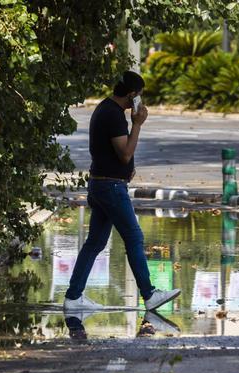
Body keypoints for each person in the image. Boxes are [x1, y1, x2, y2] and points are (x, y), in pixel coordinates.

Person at [63, 71, 181, 312]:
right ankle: (149, 295)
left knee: (94, 243)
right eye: (138, 96)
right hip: (110, 188)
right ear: (131, 95)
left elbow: (117, 154)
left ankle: (73, 297)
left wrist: (127, 168)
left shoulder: (105, 108)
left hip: (101, 183)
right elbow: (124, 152)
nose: (139, 100)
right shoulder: (114, 115)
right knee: (134, 237)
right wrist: (137, 124)